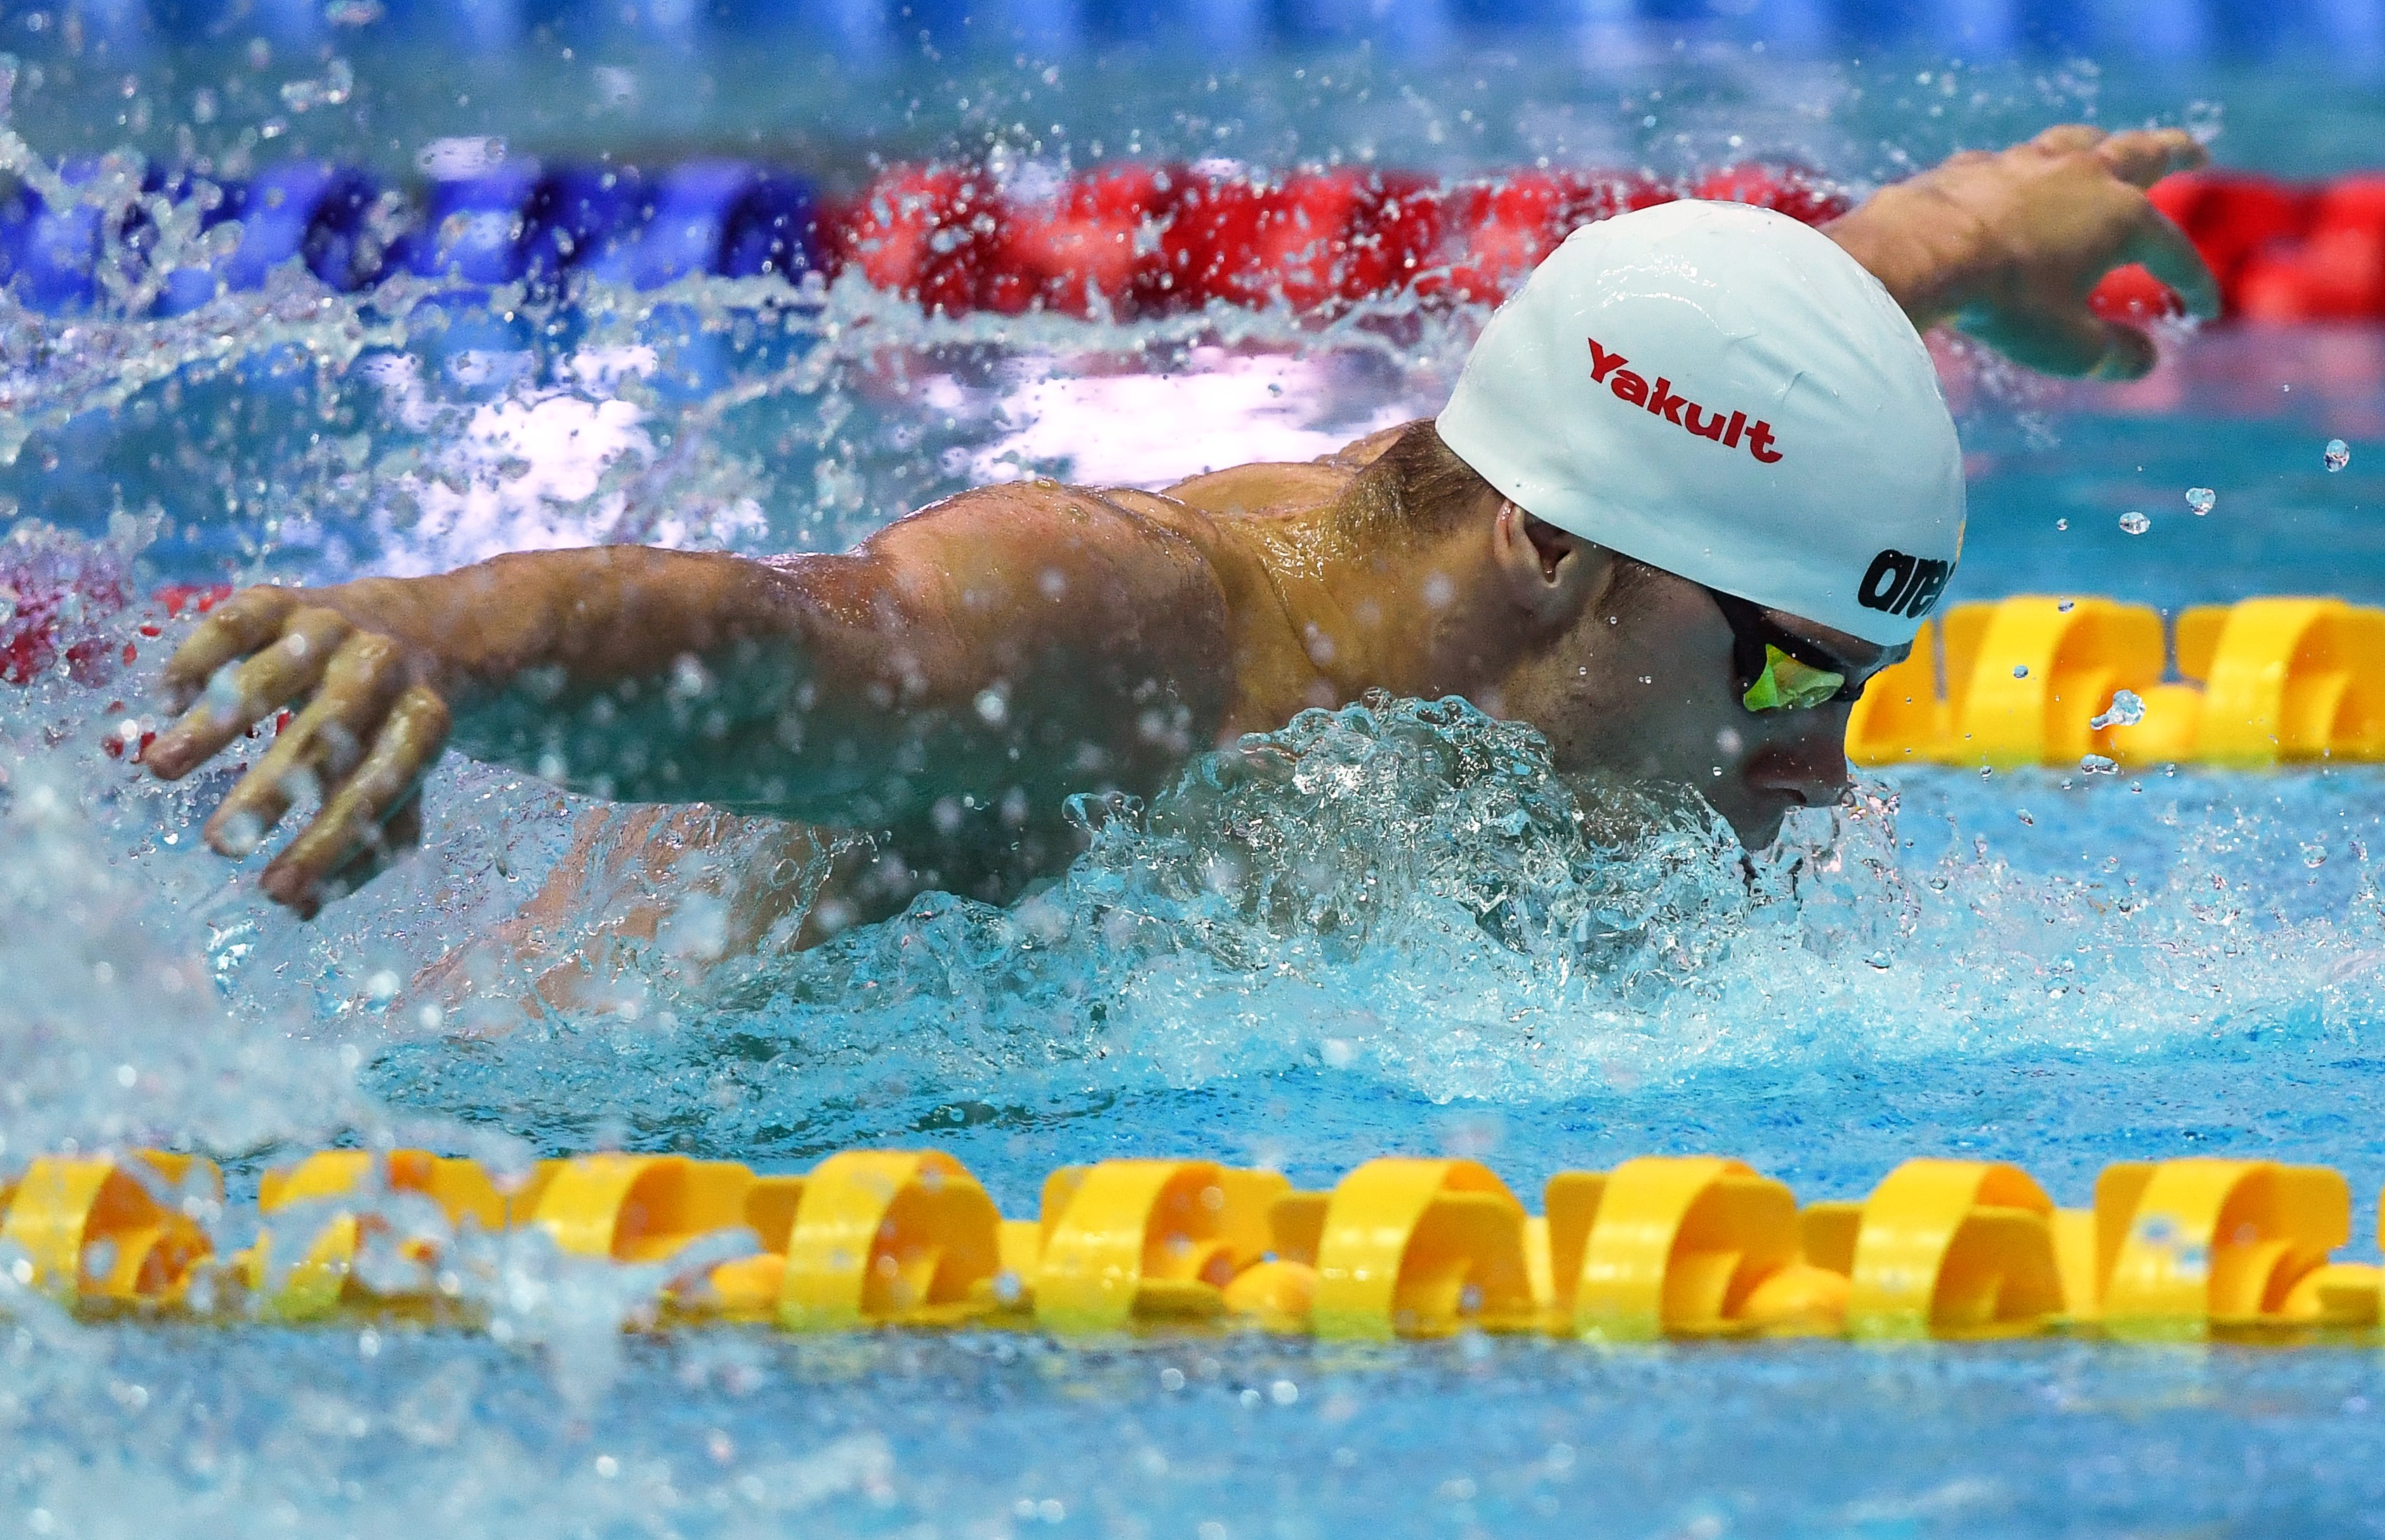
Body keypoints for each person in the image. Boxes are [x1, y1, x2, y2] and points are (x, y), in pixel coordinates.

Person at [144, 124, 2219, 984]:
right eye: (1788, 672)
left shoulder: (1607, 498)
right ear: (1560, 556)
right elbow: (774, 643)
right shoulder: (1135, 634)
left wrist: (1946, 243)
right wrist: (445, 633)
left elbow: (1708, 385)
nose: (1819, 773)